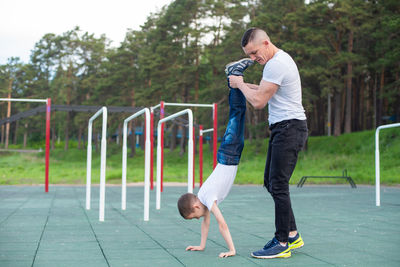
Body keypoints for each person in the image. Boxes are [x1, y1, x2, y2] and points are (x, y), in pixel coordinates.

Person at [228, 28, 308, 259]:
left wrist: (241, 84)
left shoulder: (276, 64)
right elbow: (263, 90)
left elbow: (259, 101)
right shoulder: (276, 62)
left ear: (265, 43)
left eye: (254, 53)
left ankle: (282, 242)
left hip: (290, 128)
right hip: (283, 129)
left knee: (278, 184)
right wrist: (239, 84)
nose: (254, 59)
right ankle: (292, 234)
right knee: (271, 182)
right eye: (249, 55)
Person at [177, 58, 254, 258]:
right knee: (238, 113)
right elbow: (206, 222)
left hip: (229, 154)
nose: (198, 219)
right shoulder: (203, 197)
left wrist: (232, 249)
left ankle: (234, 75)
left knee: (238, 113)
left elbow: (222, 223)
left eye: (193, 217)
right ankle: (233, 78)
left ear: (195, 207)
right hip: (229, 154)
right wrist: (201, 245)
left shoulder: (207, 197)